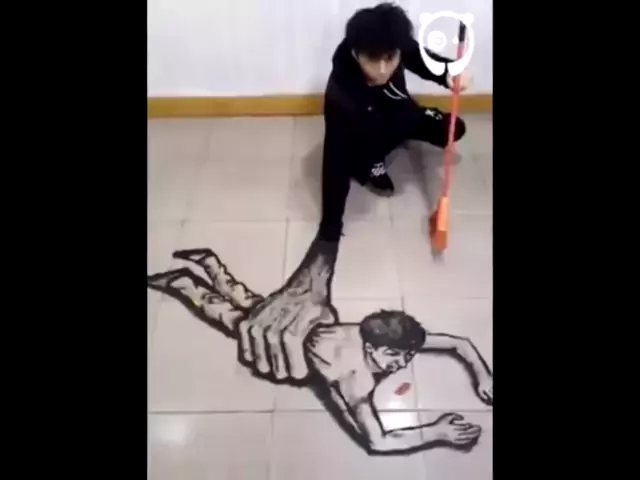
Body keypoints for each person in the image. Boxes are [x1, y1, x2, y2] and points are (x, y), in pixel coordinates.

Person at [147, 234, 493, 455]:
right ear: (370, 347)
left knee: (251, 302)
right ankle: (182, 282)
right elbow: (379, 441)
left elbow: (459, 343)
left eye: (407, 355)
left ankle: (210, 263)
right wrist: (436, 432)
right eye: (394, 356)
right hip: (293, 349)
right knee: (232, 316)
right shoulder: (354, 379)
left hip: (307, 322)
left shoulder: (393, 337)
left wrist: (484, 376)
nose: (402, 363)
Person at [319, 2, 469, 241]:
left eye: (390, 59)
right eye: (372, 59)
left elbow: (420, 58)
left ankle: (407, 126)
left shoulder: (396, 44)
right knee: (356, 155)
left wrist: (448, 73)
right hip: (362, 129)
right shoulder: (341, 96)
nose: (382, 69)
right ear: (356, 54)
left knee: (452, 128)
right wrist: (331, 223)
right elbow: (334, 159)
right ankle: (372, 164)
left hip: (399, 112)